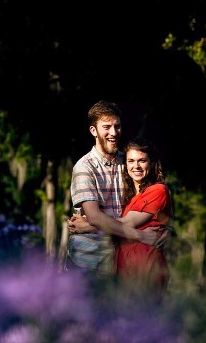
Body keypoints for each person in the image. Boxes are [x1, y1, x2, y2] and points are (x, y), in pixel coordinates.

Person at [65, 101, 167, 278]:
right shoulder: (84, 168)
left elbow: (149, 203)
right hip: (88, 263)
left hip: (122, 263)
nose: (114, 132)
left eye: (117, 126)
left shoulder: (129, 162)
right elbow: (95, 217)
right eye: (107, 127)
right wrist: (141, 236)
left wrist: (166, 229)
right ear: (93, 131)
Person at [68, 138, 173, 293]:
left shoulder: (157, 190)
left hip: (146, 267)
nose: (136, 166)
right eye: (131, 161)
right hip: (123, 269)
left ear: (151, 163)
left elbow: (128, 222)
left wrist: (88, 225)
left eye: (142, 160)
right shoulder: (129, 196)